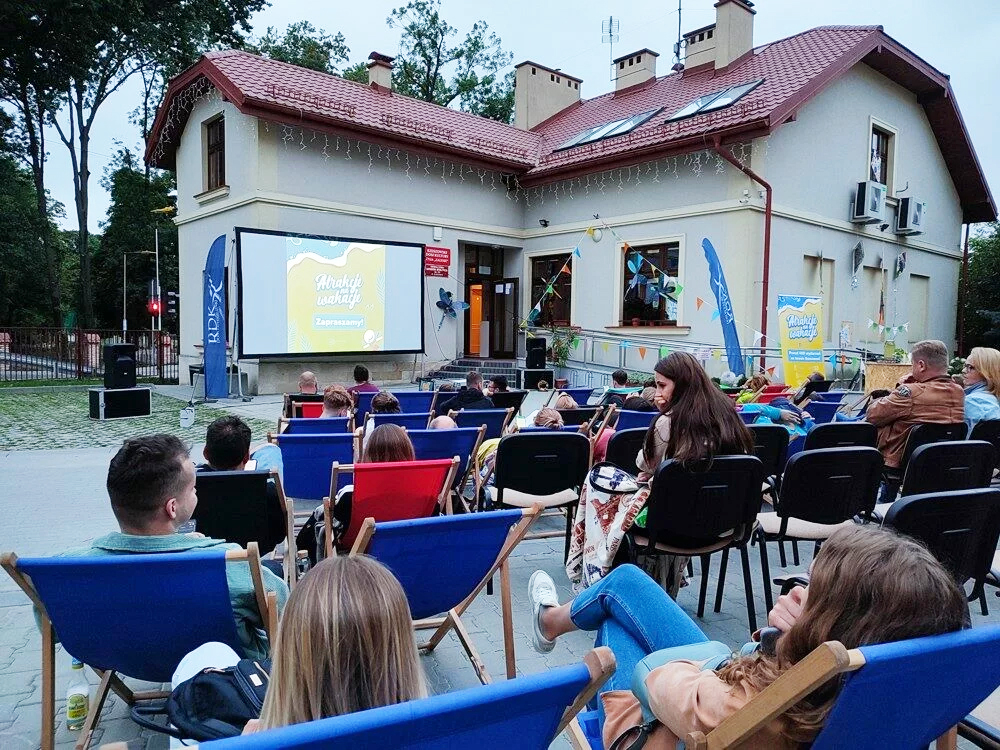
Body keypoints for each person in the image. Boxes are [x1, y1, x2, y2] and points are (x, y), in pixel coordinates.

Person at [531, 525, 967, 748]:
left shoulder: (756, 706)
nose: (795, 590)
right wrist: (787, 643)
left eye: (813, 591)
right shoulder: (882, 695)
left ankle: (551, 624)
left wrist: (739, 654)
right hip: (738, 690)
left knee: (613, 631)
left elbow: (654, 676)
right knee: (625, 582)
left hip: (659, 732)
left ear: (838, 633)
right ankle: (551, 621)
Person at [62, 435, 288, 662]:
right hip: (225, 664)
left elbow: (53, 628)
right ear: (172, 507)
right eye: (193, 489)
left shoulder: (71, 567)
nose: (196, 493)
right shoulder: (227, 562)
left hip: (125, 659)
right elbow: (282, 609)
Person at [173, 555, 426, 737]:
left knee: (208, 653)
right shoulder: (446, 734)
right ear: (403, 652)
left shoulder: (260, 741)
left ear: (288, 649)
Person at [567, 352, 754, 591]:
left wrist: (662, 424)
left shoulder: (669, 422)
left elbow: (642, 463)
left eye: (662, 385)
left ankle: (594, 580)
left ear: (682, 385)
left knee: (598, 489)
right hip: (722, 525)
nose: (658, 392)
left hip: (672, 528)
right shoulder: (730, 418)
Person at [297, 425, 416, 562]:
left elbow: (303, 541)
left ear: (368, 457)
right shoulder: (426, 496)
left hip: (358, 551)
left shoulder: (350, 497)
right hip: (406, 552)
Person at [865, 339, 964, 495]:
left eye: (912, 364)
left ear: (921, 365)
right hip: (942, 460)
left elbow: (872, 415)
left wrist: (899, 387)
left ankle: (880, 500)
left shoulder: (909, 392)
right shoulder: (959, 392)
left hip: (900, 463)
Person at [198, 416, 287, 562]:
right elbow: (278, 534)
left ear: (205, 453)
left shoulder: (190, 489)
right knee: (271, 450)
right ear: (246, 458)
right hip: (256, 550)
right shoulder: (267, 490)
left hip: (205, 552)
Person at [962, 347, 1000, 432]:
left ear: (986, 373)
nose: (964, 370)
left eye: (970, 367)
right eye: (965, 366)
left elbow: (966, 443)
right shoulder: (994, 398)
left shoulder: (973, 401)